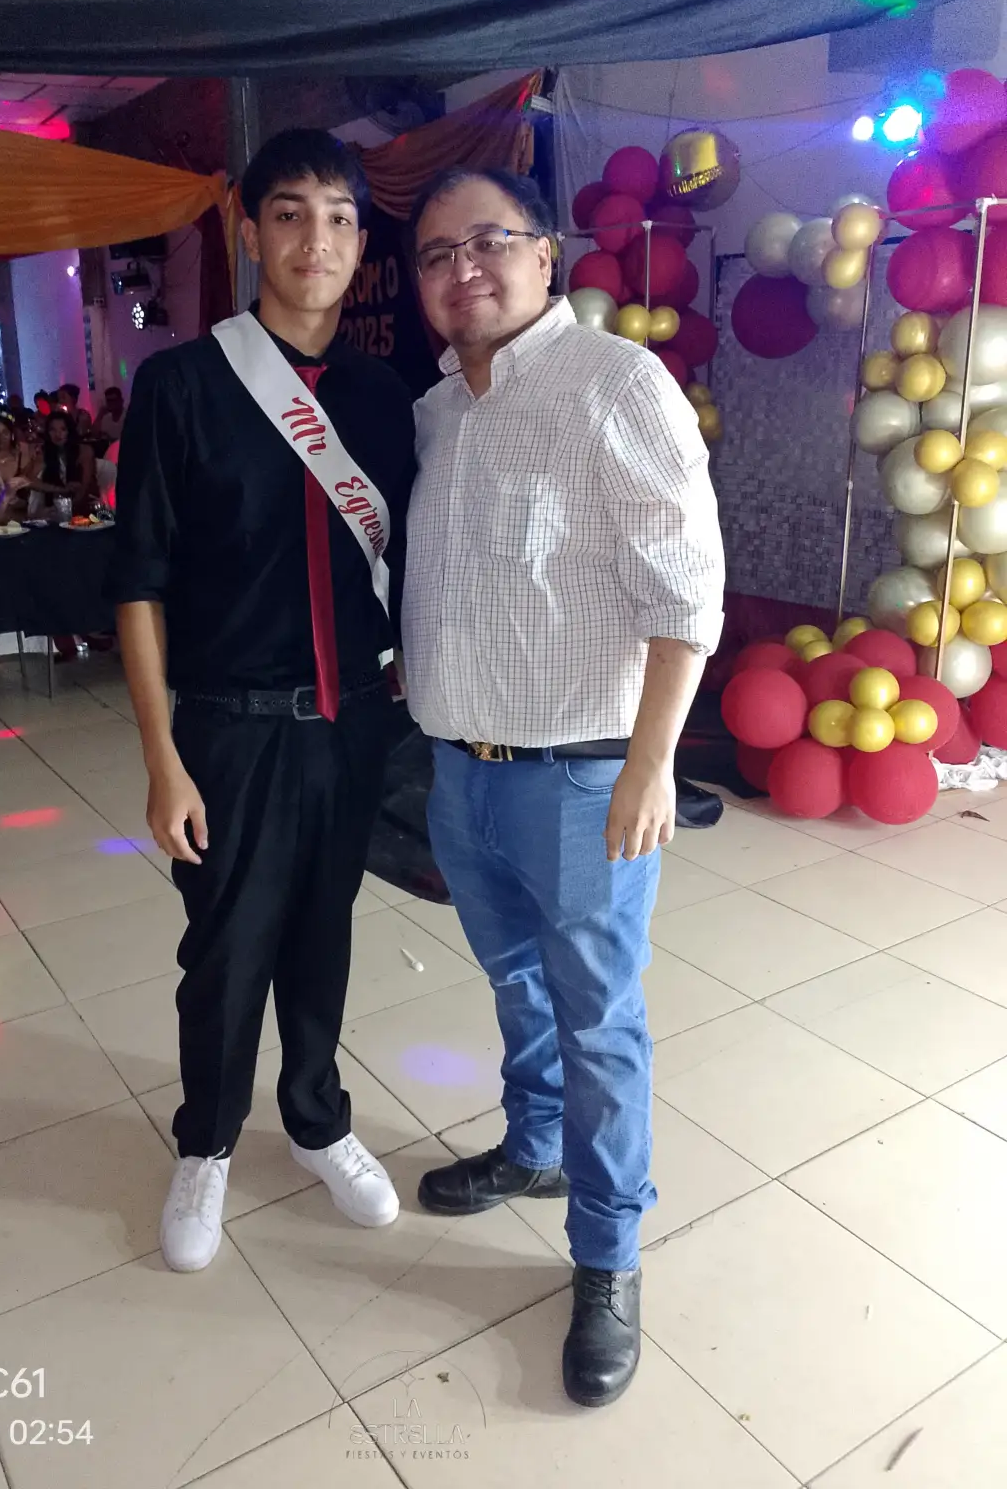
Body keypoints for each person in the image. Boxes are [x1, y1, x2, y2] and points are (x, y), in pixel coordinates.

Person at [402, 168, 725, 1409]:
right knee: (517, 983)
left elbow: (685, 588)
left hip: (584, 778)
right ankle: (533, 1147)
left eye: (489, 241)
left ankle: (608, 1255)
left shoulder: (615, 383)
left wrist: (651, 763)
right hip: (462, 772)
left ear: (546, 253)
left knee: (599, 1022)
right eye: (437, 253)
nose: (464, 269)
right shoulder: (440, 409)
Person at [107, 128, 416, 1274]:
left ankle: (319, 1119)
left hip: (352, 728)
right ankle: (206, 1142)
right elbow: (136, 583)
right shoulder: (182, 386)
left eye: (338, 218)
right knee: (226, 951)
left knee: (322, 935)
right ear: (248, 232)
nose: (315, 241)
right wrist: (162, 757)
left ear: (361, 239)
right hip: (226, 731)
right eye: (289, 214)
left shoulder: (388, 398)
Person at [26, 410, 96, 514]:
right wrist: (60, 490)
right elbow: (29, 481)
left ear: (69, 431)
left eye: (63, 429)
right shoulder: (45, 452)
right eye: (52, 430)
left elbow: (85, 487)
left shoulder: (84, 451)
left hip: (83, 506)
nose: (58, 434)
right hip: (55, 506)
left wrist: (69, 508)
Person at [0, 413, 32, 517]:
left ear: (12, 435)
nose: (1, 438)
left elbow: (31, 485)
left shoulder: (22, 456)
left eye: (5, 432)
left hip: (21, 516)